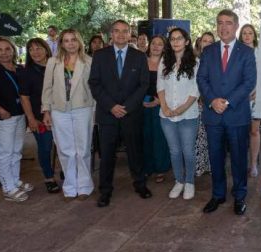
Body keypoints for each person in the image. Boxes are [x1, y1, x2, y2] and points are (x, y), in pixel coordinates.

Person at [197, 10, 256, 215]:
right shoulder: (208, 51)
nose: (224, 27)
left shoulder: (246, 52)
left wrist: (228, 102)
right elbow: (201, 79)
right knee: (216, 157)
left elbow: (249, 82)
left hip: (236, 115)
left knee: (239, 158)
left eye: (228, 23)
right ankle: (218, 194)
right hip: (213, 115)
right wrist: (212, 101)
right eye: (220, 22)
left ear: (236, 26)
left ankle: (239, 196)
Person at [89, 20, 150, 207]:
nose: (121, 35)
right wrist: (111, 106)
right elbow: (94, 83)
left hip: (131, 114)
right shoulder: (100, 56)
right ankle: (105, 191)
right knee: (107, 155)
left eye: (125, 31)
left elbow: (144, 85)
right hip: (108, 115)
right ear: (111, 34)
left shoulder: (139, 57)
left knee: (135, 152)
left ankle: (140, 185)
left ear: (130, 34)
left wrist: (127, 107)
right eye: (117, 31)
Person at [41, 29, 95, 201]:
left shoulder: (88, 61)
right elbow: (47, 88)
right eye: (66, 40)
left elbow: (95, 88)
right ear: (61, 43)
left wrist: (95, 110)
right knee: (65, 150)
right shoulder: (53, 62)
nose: (70, 43)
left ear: (79, 42)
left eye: (73, 40)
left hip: (83, 108)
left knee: (83, 149)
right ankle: (70, 187)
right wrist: (46, 111)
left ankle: (85, 186)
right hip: (59, 110)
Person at [0, 37, 32, 202]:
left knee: (16, 151)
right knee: (4, 153)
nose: (3, 53)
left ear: (13, 50)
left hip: (19, 115)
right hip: (2, 118)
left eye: (7, 49)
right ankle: (8, 188)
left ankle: (15, 180)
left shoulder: (19, 69)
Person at [158, 28, 200, 200]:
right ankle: (179, 181)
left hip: (188, 115)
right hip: (166, 115)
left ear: (187, 41)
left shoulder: (195, 62)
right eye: (172, 39)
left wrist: (183, 108)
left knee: (188, 151)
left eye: (179, 38)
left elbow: (196, 89)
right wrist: (165, 106)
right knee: (174, 151)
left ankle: (189, 182)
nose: (175, 42)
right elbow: (159, 86)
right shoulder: (164, 61)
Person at [20, 38, 60, 194]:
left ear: (46, 49)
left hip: (60, 114)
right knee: (45, 148)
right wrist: (31, 119)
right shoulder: (27, 72)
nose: (35, 52)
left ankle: (65, 171)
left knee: (63, 146)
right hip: (39, 117)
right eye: (31, 49)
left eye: (38, 48)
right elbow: (24, 97)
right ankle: (49, 178)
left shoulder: (57, 66)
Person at [143, 35, 171, 183]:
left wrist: (159, 101)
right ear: (149, 45)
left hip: (161, 105)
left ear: (164, 47)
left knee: (160, 138)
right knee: (145, 136)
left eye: (160, 44)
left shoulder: (168, 64)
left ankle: (161, 168)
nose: (156, 46)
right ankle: (147, 167)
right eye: (154, 43)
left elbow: (172, 87)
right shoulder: (141, 61)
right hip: (142, 105)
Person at [239, 24, 261, 177]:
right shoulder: (237, 52)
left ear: (254, 35)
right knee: (239, 132)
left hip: (257, 98)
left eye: (250, 33)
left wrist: (259, 92)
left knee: (254, 131)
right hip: (240, 98)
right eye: (244, 33)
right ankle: (240, 164)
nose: (247, 36)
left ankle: (253, 165)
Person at [194, 32, 215, 177]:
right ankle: (200, 165)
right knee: (198, 136)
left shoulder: (217, 60)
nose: (206, 43)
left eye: (210, 41)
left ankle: (211, 165)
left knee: (211, 137)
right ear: (200, 43)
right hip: (194, 103)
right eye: (204, 40)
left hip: (211, 103)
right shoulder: (193, 60)